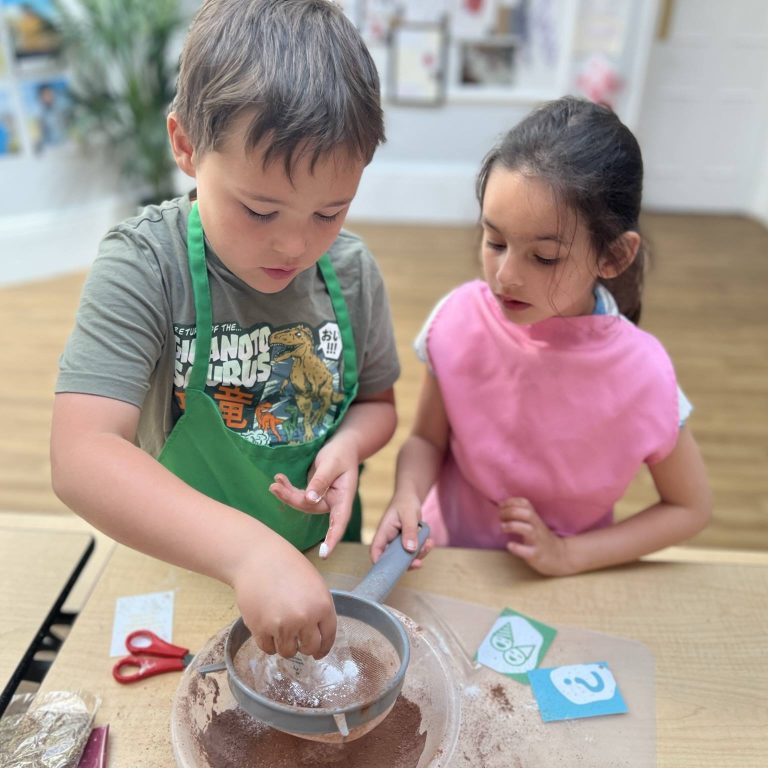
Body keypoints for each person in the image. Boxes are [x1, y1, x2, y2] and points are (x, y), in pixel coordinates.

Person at [51, 0, 399, 660]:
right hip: (183, 565)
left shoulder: (351, 273)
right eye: (260, 210)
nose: (295, 244)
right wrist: (249, 553)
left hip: (322, 565)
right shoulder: (144, 265)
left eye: (330, 211)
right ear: (185, 145)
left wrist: (350, 443)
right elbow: (81, 455)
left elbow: (378, 405)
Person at [371, 96, 711, 576]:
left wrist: (568, 554)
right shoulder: (460, 320)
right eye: (495, 242)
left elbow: (689, 508)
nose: (505, 275)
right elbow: (427, 440)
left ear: (613, 257)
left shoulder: (644, 375)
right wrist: (406, 496)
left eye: (544, 257)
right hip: (446, 558)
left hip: (557, 587)